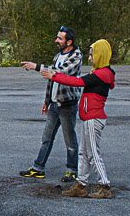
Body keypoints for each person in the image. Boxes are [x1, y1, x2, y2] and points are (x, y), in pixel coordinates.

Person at [41, 39, 116, 199]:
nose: (89, 58)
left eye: (92, 55)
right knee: (83, 152)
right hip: (88, 118)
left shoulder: (101, 74)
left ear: (100, 55)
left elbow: (77, 82)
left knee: (93, 154)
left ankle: (104, 185)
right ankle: (81, 184)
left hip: (93, 118)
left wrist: (54, 76)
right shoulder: (99, 72)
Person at [18, 26, 82, 182]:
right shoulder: (58, 55)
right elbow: (51, 80)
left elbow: (59, 72)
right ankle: (38, 168)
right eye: (57, 37)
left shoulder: (76, 56)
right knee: (47, 137)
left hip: (67, 104)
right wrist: (47, 101)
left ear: (69, 42)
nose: (56, 40)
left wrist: (36, 66)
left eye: (60, 38)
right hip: (54, 104)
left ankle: (72, 170)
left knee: (70, 140)